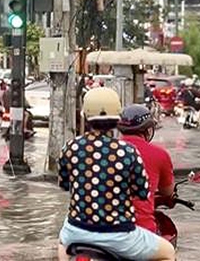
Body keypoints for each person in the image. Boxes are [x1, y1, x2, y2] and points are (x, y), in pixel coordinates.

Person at [57, 88, 175, 261]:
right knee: (168, 253)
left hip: (76, 230)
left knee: (62, 243)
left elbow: (65, 185)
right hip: (119, 235)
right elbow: (141, 191)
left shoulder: (70, 147)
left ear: (85, 115)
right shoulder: (127, 151)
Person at [118, 105, 175, 234]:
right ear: (148, 129)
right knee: (169, 252)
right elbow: (167, 191)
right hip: (142, 232)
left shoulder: (105, 151)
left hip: (104, 230)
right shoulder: (159, 154)